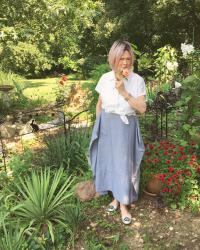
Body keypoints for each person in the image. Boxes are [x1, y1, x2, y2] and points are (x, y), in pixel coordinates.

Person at [89, 40, 146, 225]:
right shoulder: (105, 78)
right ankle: (115, 198)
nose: (125, 62)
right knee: (111, 163)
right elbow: (100, 104)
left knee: (123, 166)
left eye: (128, 59)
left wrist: (124, 93)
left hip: (125, 126)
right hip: (106, 125)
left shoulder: (137, 80)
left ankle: (123, 205)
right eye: (121, 58)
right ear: (113, 59)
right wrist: (99, 127)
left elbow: (142, 109)